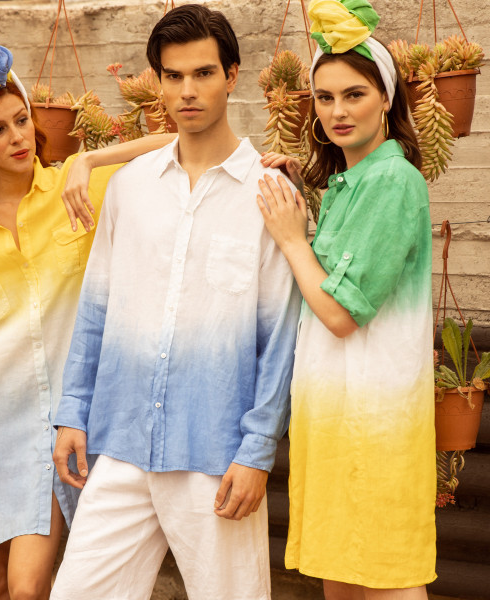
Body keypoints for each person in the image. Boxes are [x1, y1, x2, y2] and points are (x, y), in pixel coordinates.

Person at [50, 5, 302, 599]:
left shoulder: (271, 195)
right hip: (121, 440)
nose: (187, 90)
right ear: (159, 82)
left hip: (214, 453)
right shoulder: (129, 187)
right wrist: (72, 411)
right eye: (173, 76)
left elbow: (281, 339)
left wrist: (258, 451)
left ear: (232, 76)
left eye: (203, 73)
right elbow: (95, 309)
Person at [0, 42, 173, 600]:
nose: (16, 137)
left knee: (28, 584)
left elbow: (177, 142)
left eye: (21, 120)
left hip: (61, 418)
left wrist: (89, 160)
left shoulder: (73, 188)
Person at [257, 1, 436, 598]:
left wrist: (291, 239)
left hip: (375, 422)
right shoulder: (351, 181)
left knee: (387, 578)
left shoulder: (392, 179)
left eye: (354, 94)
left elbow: (339, 313)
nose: (337, 111)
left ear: (386, 97)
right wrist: (303, 204)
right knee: (342, 576)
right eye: (324, 97)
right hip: (337, 417)